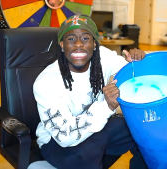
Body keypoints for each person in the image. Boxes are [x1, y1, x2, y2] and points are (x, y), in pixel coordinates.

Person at [33, 14, 148, 169]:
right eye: (71, 39)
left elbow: (133, 74)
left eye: (85, 38)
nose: (78, 44)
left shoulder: (103, 57)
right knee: (87, 151)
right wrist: (107, 107)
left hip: (96, 132)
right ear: (62, 45)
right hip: (58, 143)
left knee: (140, 128)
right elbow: (65, 136)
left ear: (94, 44)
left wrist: (138, 62)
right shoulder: (46, 82)